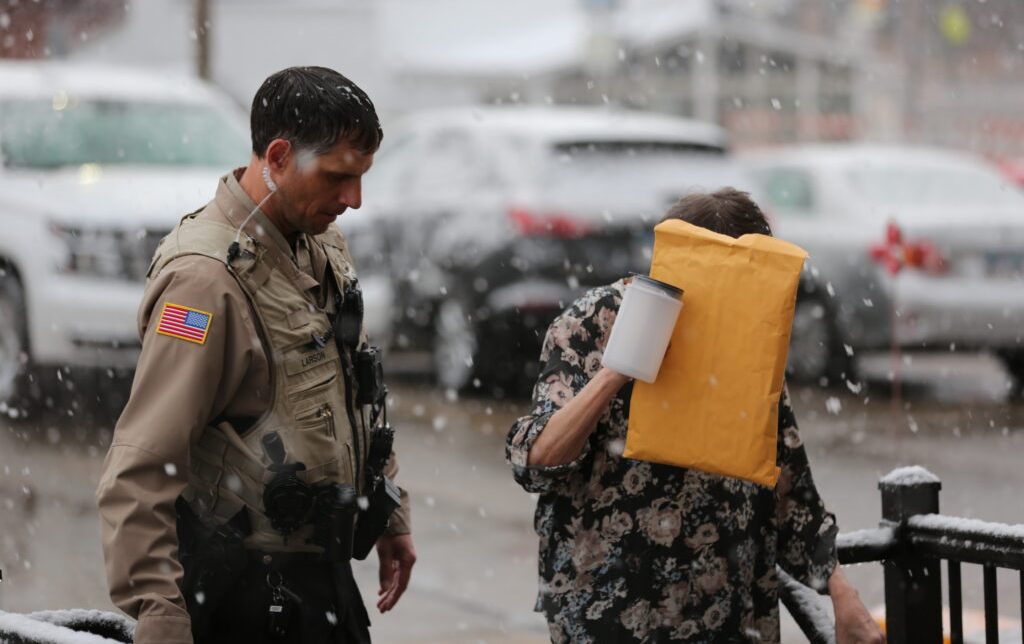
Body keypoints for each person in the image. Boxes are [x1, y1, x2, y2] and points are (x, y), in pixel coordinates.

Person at [96, 66, 416, 644]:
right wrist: (161, 616)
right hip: (244, 598)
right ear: (278, 156)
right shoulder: (203, 282)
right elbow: (140, 466)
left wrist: (388, 512)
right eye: (340, 177)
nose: (355, 200)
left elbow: (358, 390)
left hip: (322, 588)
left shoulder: (320, 244)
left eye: (363, 177)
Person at [505, 188, 883, 643]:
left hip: (727, 613)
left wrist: (843, 595)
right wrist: (617, 371)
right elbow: (536, 460)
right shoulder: (595, 321)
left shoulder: (750, 336)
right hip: (610, 611)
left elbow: (789, 491)